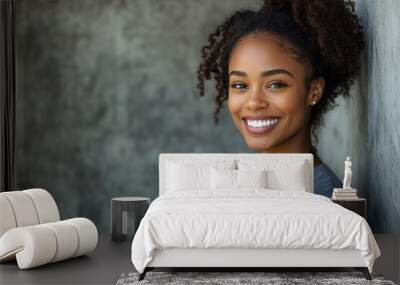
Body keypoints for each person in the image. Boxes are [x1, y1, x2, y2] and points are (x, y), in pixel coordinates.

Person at [196, 0, 365, 197]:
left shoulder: (320, 199)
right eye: (240, 85)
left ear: (314, 91)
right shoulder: (249, 188)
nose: (254, 102)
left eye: (276, 84)